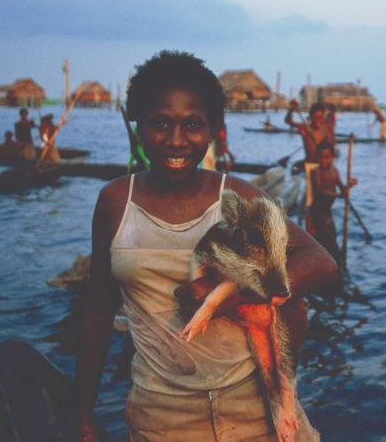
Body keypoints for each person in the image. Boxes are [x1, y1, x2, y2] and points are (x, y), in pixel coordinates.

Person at [75, 50, 337, 442]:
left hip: (255, 412)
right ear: (138, 127)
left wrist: (225, 297)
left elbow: (320, 263)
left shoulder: (236, 196)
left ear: (213, 129)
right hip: (162, 417)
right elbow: (98, 307)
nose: (176, 140)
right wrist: (83, 411)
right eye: (160, 124)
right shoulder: (116, 202)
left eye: (192, 125)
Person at [285, 100, 335, 232]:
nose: (318, 120)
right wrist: (291, 109)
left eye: (320, 117)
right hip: (310, 166)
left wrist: (330, 168)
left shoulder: (326, 129)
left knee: (323, 199)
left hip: (323, 167)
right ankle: (310, 229)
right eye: (315, 118)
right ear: (311, 117)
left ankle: (322, 226)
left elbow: (331, 149)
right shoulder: (304, 128)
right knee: (311, 200)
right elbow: (288, 121)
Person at [309, 141, 356, 262]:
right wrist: (338, 195)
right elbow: (320, 191)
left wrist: (350, 185)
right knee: (326, 240)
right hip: (317, 212)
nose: (323, 160)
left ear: (332, 157)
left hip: (326, 212)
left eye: (327, 157)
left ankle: (336, 263)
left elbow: (342, 189)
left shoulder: (334, 171)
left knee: (332, 237)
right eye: (320, 157)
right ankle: (331, 263)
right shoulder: (316, 172)